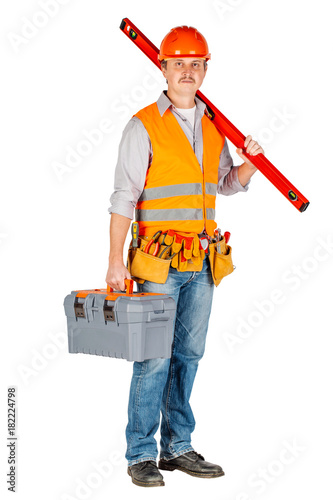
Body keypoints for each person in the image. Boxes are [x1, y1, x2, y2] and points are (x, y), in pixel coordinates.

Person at [106, 25, 264, 487]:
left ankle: (177, 447)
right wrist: (116, 261)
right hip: (158, 263)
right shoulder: (143, 125)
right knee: (153, 357)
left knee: (189, 354)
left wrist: (250, 163)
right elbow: (122, 198)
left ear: (205, 69)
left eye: (197, 63)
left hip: (202, 262)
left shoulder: (214, 128)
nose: (188, 72)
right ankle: (140, 453)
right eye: (179, 63)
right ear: (164, 67)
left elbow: (225, 184)